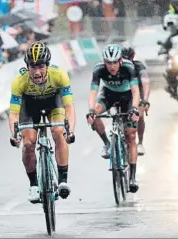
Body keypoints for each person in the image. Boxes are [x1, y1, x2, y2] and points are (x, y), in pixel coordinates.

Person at [9, 41, 76, 203]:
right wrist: (15, 134)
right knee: (28, 143)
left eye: (41, 67)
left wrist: (70, 130)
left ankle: (62, 180)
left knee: (58, 132)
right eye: (33, 67)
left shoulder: (59, 75)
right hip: (30, 107)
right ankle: (33, 184)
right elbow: (13, 113)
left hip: (54, 104)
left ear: (47, 65)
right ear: (27, 66)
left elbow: (69, 106)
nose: (37, 72)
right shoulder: (19, 81)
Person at [86, 44, 140, 193]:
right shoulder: (98, 69)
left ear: (120, 61)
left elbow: (136, 91)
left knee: (130, 135)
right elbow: (93, 92)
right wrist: (91, 110)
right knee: (94, 113)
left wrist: (135, 108)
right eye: (108, 63)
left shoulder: (129, 67)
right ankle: (107, 143)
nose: (112, 66)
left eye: (115, 62)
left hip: (127, 97)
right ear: (104, 62)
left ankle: (132, 178)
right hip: (108, 95)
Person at [122, 46, 150, 156]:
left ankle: (140, 143)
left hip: (138, 92)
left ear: (133, 57)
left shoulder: (139, 66)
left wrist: (145, 100)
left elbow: (146, 83)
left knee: (140, 113)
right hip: (123, 94)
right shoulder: (116, 66)